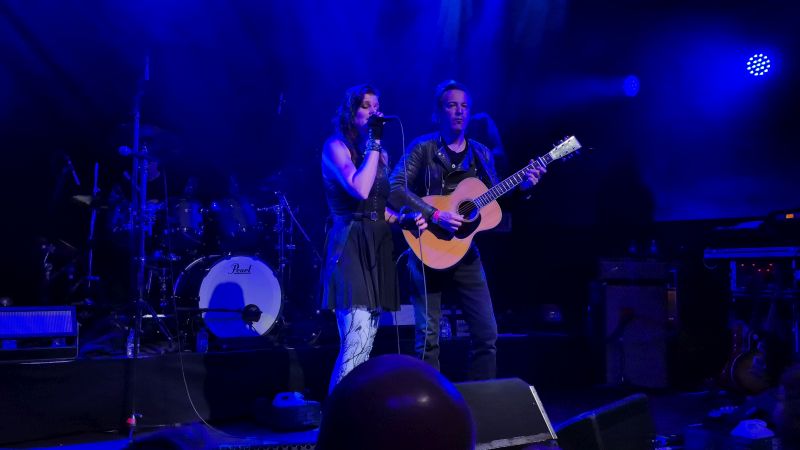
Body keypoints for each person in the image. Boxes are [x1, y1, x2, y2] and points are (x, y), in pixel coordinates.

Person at [389, 80, 544, 380]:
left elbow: (495, 200)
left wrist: (523, 187)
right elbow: (394, 188)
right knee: (428, 340)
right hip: (426, 249)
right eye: (451, 106)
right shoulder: (423, 148)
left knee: (487, 334)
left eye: (464, 107)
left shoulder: (482, 154)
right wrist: (435, 214)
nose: (459, 112)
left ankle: (481, 404)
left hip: (465, 252)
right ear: (438, 113)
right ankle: (427, 408)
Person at [320, 84, 426, 392]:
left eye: (377, 105)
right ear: (351, 112)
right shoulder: (335, 147)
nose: (374, 111)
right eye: (366, 106)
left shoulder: (379, 153)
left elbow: (378, 206)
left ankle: (354, 419)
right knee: (355, 342)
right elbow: (360, 189)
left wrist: (403, 219)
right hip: (350, 243)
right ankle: (336, 425)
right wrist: (374, 143)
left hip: (376, 243)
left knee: (367, 343)